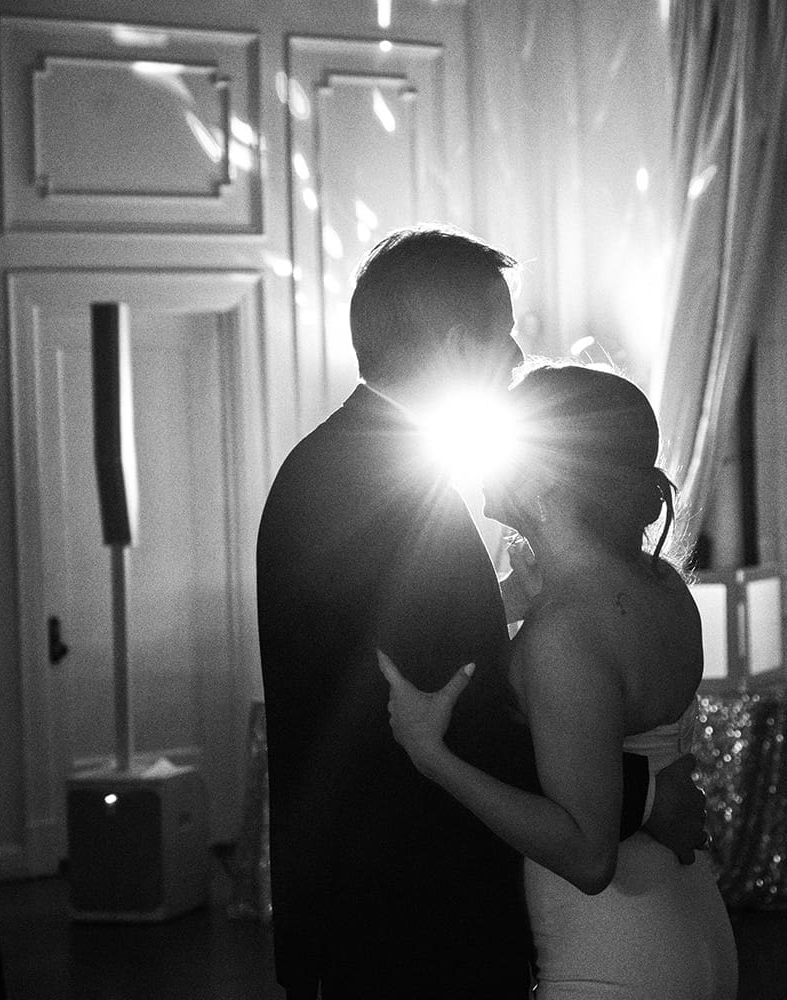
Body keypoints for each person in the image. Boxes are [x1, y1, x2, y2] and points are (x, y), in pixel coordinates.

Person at [256, 226, 707, 999]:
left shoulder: (359, 468)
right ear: (456, 343)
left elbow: (417, 660)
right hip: (403, 914)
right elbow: (439, 712)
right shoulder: (372, 486)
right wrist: (644, 794)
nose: (512, 358)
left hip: (407, 903)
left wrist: (501, 605)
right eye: (500, 336)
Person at [381, 362, 740, 1000]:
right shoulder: (663, 587)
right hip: (691, 919)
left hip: (612, 952)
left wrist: (429, 754)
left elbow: (588, 855)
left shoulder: (564, 634)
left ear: (547, 474)